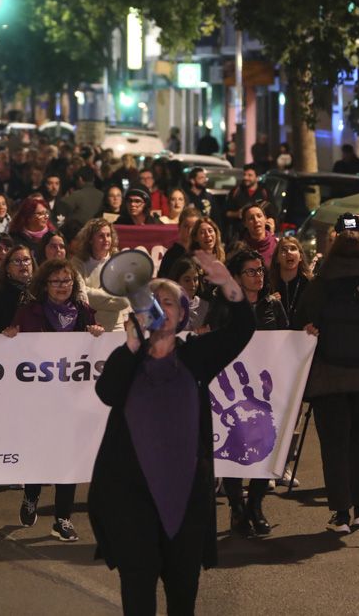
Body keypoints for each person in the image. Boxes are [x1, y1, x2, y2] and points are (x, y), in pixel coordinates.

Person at [89, 250, 254, 615]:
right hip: (131, 498)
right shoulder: (129, 357)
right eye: (155, 302)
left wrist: (228, 283)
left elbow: (243, 329)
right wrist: (132, 345)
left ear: (182, 315)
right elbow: (107, 393)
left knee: (183, 596)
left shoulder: (196, 356)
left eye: (170, 302)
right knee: (138, 594)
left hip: (186, 497)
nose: (162, 308)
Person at [294, 214, 359, 533]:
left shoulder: (320, 282)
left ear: (334, 246)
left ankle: (340, 514)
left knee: (334, 445)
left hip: (330, 376)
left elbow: (303, 317)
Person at [5, 259, 104, 542]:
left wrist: (96, 333)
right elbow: (10, 350)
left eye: (67, 281)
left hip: (73, 401)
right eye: (56, 281)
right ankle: (31, 495)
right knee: (42, 455)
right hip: (39, 401)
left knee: (68, 458)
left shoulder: (84, 313)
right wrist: (10, 336)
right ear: (45, 284)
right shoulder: (29, 313)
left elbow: (95, 353)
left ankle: (62, 519)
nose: (62, 286)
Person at [204, 248, 287, 537]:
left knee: (265, 447)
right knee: (235, 446)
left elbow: (287, 340)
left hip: (266, 391)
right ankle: (237, 507)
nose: (258, 276)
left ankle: (256, 505)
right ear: (237, 278)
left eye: (260, 270)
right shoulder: (223, 307)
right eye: (251, 272)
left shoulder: (272, 306)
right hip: (232, 391)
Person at [71, 219, 130, 331]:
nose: (106, 239)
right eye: (101, 236)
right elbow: (81, 296)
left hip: (115, 326)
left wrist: (93, 299)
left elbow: (124, 301)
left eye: (108, 235)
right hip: (88, 326)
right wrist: (111, 294)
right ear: (90, 239)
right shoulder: (78, 262)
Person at [0, 244, 35, 334]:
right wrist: (4, 332)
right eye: (17, 261)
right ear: (8, 268)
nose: (23, 264)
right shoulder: (0, 295)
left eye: (26, 260)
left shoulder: (41, 291)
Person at [268, 236, 312, 325]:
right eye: (284, 250)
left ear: (301, 257)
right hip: (274, 336)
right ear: (277, 258)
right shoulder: (267, 284)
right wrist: (267, 302)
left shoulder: (310, 284)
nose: (288, 252)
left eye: (293, 248)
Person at [157, 208, 202, 279]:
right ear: (179, 227)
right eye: (186, 226)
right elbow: (163, 282)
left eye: (193, 227)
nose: (190, 231)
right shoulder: (171, 255)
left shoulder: (203, 252)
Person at [235, 202, 278, 268]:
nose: (256, 220)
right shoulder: (240, 248)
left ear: (265, 219)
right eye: (251, 218)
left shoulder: (277, 244)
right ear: (245, 224)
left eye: (259, 216)